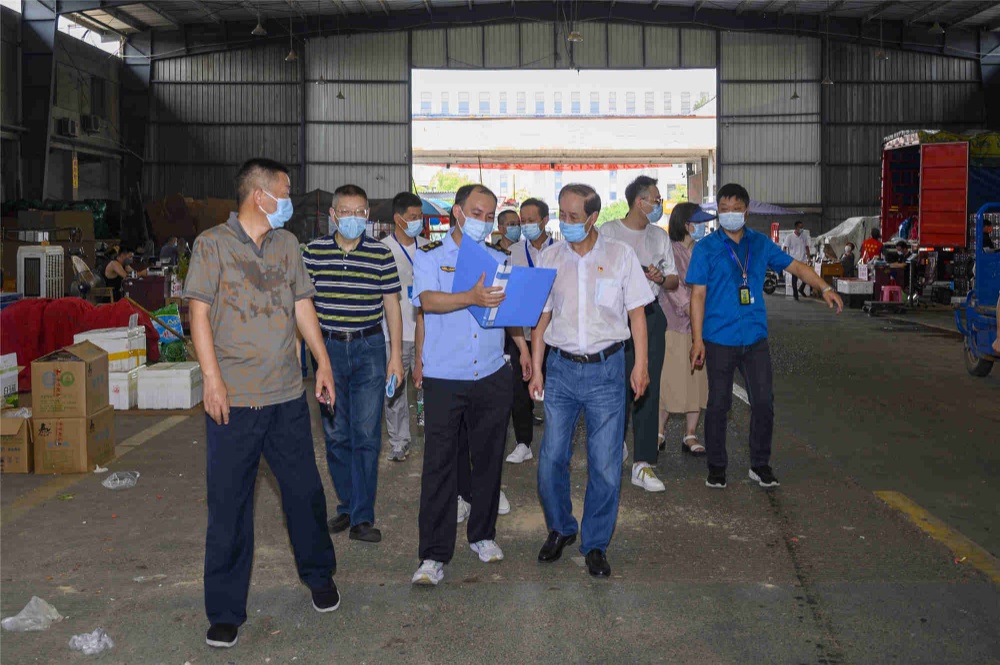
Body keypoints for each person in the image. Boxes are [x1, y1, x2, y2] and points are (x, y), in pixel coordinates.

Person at [184, 158, 339, 650]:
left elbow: (302, 305)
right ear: (260, 195)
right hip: (234, 401)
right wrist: (212, 381)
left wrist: (323, 362)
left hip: (286, 397)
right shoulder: (212, 245)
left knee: (305, 495)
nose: (290, 199)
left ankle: (319, 577)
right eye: (286, 191)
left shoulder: (287, 244)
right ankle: (225, 612)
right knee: (229, 507)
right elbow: (199, 314)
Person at [410, 184, 531, 586]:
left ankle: (482, 534)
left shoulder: (499, 258)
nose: (482, 220)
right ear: (457, 213)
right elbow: (427, 301)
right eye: (476, 213)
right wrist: (471, 297)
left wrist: (522, 348)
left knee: (489, 460)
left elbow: (509, 311)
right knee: (439, 466)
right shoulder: (431, 255)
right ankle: (433, 555)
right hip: (445, 376)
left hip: (491, 373)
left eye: (488, 215)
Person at [530, 183, 653, 578]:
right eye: (561, 214)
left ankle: (596, 543)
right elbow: (541, 317)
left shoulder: (620, 256)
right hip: (561, 370)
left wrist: (641, 365)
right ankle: (561, 527)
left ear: (593, 217)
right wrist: (536, 366)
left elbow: (637, 314)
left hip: (606, 370)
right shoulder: (549, 257)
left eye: (573, 216)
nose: (565, 222)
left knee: (604, 463)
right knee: (551, 458)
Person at [688, 183, 843, 491]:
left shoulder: (760, 244)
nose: (730, 214)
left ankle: (759, 465)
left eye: (736, 209)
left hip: (754, 337)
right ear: (718, 211)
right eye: (724, 209)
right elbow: (697, 296)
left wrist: (824, 287)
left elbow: (796, 267)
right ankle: (716, 468)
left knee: (763, 402)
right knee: (718, 404)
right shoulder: (705, 248)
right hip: (719, 338)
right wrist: (697, 340)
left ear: (746, 211)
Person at [303, 184, 405, 545]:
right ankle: (347, 504)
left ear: (368, 215)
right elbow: (302, 307)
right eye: (346, 212)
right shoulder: (313, 253)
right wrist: (310, 356)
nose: (353, 218)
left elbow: (391, 305)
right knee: (335, 435)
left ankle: (362, 517)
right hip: (328, 350)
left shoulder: (381, 254)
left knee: (366, 434)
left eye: (360, 212)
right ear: (333, 215)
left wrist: (396, 356)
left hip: (369, 349)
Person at [599, 175, 678, 493]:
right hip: (615, 318)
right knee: (614, 386)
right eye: (656, 200)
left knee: (647, 387)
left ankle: (643, 463)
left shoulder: (659, 236)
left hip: (649, 315)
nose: (659, 205)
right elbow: (596, 272)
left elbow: (673, 280)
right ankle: (613, 446)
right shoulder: (609, 232)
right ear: (639, 201)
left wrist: (660, 278)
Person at [504, 197, 556, 464]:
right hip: (521, 334)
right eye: (522, 221)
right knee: (519, 390)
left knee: (555, 392)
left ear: (545, 221)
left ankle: (555, 444)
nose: (525, 225)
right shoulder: (513, 252)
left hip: (554, 336)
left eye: (531, 220)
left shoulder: (561, 251)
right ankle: (523, 442)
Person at [380, 192, 429, 462]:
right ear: (398, 219)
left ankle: (427, 431)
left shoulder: (429, 248)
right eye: (413, 217)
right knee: (395, 391)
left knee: (424, 389)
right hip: (394, 335)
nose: (417, 221)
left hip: (425, 332)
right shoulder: (382, 249)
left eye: (420, 216)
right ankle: (399, 440)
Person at [658, 203, 709, 456]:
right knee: (668, 380)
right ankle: (658, 431)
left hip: (699, 329)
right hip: (675, 325)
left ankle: (690, 433)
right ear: (685, 224)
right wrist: (697, 313)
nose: (702, 227)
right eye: (698, 222)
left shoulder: (702, 250)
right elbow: (675, 290)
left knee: (696, 381)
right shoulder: (670, 250)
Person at [781, 221, 812, 300]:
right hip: (794, 260)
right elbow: (785, 247)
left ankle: (801, 288)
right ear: (796, 228)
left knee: (807, 276)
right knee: (794, 278)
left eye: (802, 227)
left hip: (803, 260)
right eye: (800, 227)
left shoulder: (804, 237)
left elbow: (807, 247)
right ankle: (795, 294)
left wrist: (809, 258)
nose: (802, 229)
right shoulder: (790, 237)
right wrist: (784, 258)